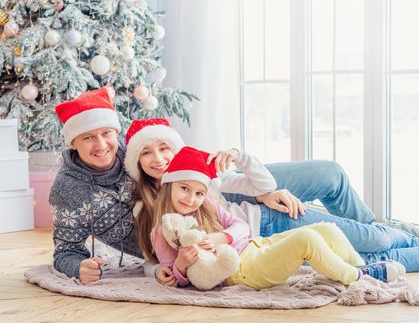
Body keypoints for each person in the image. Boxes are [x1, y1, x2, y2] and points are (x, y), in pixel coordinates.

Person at [124, 118, 419, 275]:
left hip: (269, 219)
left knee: (375, 239)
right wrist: (161, 273)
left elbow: (253, 194)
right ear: (137, 162)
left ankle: (408, 235)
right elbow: (155, 256)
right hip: (260, 247)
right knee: (367, 260)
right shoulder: (146, 209)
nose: (158, 159)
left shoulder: (204, 180)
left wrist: (240, 159)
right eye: (146, 153)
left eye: (164, 149)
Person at [149, 146, 406, 288]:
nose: (190, 199)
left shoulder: (206, 205)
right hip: (242, 270)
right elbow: (174, 276)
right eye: (184, 189)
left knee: (326, 229)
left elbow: (240, 226)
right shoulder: (162, 230)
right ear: (168, 185)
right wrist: (181, 264)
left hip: (255, 245)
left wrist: (221, 237)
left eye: (198, 192)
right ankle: (356, 277)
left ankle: (361, 270)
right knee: (306, 240)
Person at [50, 88, 159, 284]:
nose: (101, 145)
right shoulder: (67, 189)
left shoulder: (135, 151)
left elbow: (180, 160)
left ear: (116, 132)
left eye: (106, 133)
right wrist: (78, 267)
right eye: (88, 137)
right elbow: (65, 252)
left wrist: (231, 154)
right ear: (73, 142)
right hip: (162, 257)